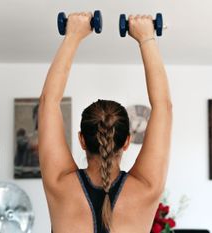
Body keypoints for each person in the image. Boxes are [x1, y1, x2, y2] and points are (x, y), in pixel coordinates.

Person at [38, 12, 172, 233]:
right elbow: (164, 107)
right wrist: (146, 38)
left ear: (82, 139)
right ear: (127, 141)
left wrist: (73, 35)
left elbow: (48, 103)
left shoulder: (60, 186)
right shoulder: (146, 189)